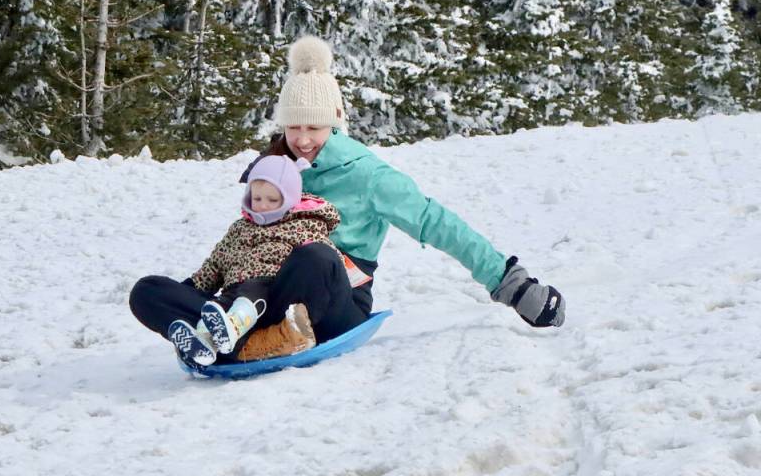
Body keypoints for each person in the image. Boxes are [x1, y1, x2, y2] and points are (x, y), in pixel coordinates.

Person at [239, 35, 566, 333]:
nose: (303, 139)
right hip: (273, 292)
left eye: (314, 127)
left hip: (339, 300)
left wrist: (512, 284)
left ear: (334, 121)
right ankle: (229, 328)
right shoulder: (276, 167)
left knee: (314, 256)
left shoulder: (367, 175)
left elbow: (434, 222)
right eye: (293, 127)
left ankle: (267, 330)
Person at [134, 154, 346, 370]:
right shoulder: (239, 229)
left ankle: (263, 337)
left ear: (290, 198)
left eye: (273, 200)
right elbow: (213, 267)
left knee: (315, 257)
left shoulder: (304, 224)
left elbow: (329, 263)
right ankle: (208, 341)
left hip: (273, 298)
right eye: (257, 198)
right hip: (231, 298)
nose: (263, 206)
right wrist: (181, 294)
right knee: (146, 289)